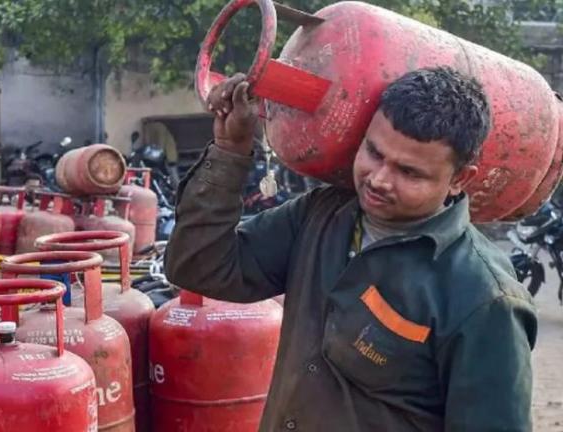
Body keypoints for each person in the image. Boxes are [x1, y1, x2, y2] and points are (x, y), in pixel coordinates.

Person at [164, 67, 537, 432]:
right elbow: (198, 268)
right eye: (374, 152)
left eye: (409, 172)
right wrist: (230, 151)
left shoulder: (485, 300)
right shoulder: (321, 216)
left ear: (460, 179)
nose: (379, 179)